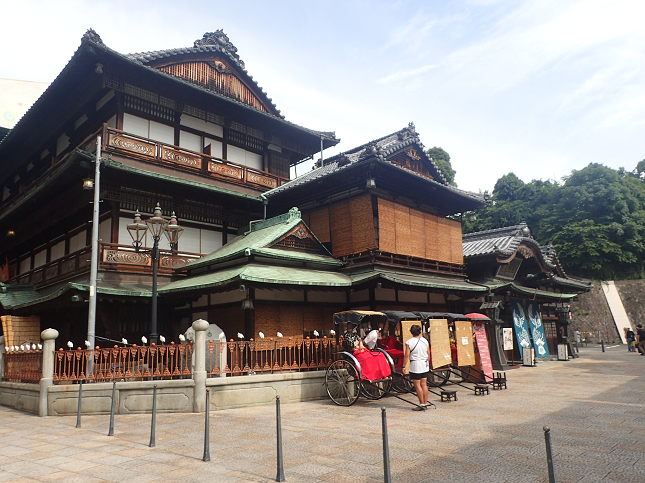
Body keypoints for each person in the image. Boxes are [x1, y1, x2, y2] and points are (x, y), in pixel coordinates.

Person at [403, 324, 430, 410]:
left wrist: (404, 366)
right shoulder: (425, 341)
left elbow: (407, 355)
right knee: (424, 384)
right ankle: (425, 403)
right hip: (424, 363)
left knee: (417, 385)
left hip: (415, 364)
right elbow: (428, 353)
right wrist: (427, 362)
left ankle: (421, 404)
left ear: (411, 332)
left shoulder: (409, 342)